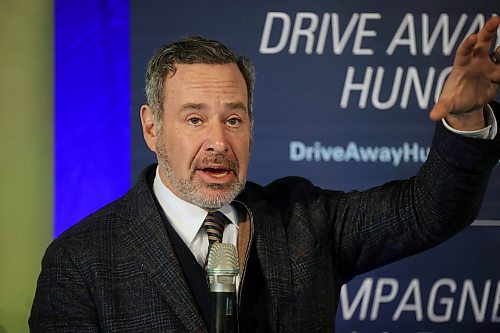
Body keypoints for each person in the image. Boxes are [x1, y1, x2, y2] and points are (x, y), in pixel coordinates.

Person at [30, 16, 500, 332]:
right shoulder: (81, 262)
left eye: (234, 119)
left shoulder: (304, 220)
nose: (219, 141)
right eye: (195, 119)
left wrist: (466, 119)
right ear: (152, 128)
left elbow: (427, 211)